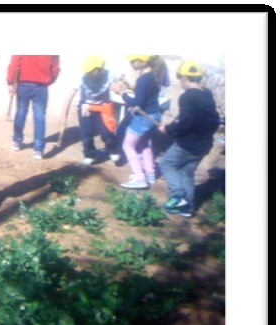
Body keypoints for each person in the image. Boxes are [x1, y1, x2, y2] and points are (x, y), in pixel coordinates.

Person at [157, 60, 221, 218]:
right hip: (203, 144)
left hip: (187, 144)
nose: (180, 82)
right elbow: (214, 120)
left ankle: (177, 197)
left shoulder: (187, 97)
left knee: (166, 163)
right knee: (186, 173)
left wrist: (168, 129)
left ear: (185, 78)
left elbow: (185, 123)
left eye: (180, 78)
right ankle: (188, 207)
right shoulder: (207, 95)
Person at [112, 55, 166, 189]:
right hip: (153, 115)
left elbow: (137, 103)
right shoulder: (154, 75)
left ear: (142, 61)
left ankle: (139, 178)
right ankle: (150, 174)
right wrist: (130, 86)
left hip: (143, 118)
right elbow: (145, 94)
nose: (131, 62)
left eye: (133, 59)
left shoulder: (143, 79)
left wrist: (121, 93)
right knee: (143, 144)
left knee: (127, 146)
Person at [59, 55, 121, 165]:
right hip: (86, 108)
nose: (87, 73)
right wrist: (63, 116)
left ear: (98, 69)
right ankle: (90, 154)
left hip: (103, 108)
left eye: (90, 71)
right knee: (86, 134)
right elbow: (69, 96)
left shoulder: (109, 75)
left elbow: (117, 89)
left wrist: (118, 87)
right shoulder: (81, 77)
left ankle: (113, 149)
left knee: (107, 133)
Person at [7, 55, 60, 159]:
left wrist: (10, 81)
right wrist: (49, 80)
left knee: (21, 112)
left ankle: (17, 141)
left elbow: (15, 63)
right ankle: (38, 149)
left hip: (24, 84)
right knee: (39, 117)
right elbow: (55, 67)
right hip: (41, 85)